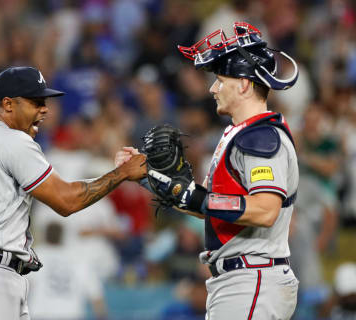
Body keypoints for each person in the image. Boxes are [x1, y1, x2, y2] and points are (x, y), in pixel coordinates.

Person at [0, 66, 147, 320]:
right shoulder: (12, 140)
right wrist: (122, 174)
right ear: (8, 104)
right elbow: (66, 201)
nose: (44, 109)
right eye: (35, 102)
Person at [116, 22, 300, 319]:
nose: (213, 88)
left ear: (243, 84)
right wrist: (148, 177)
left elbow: (266, 210)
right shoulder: (238, 134)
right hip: (239, 280)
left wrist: (199, 198)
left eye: (220, 79)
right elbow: (210, 207)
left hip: (252, 278)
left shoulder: (261, 137)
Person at [26, 222, 107, 320]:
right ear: (63, 236)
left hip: (41, 314)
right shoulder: (79, 257)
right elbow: (96, 296)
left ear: (44, 235)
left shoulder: (36, 254)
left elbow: (21, 287)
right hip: (71, 314)